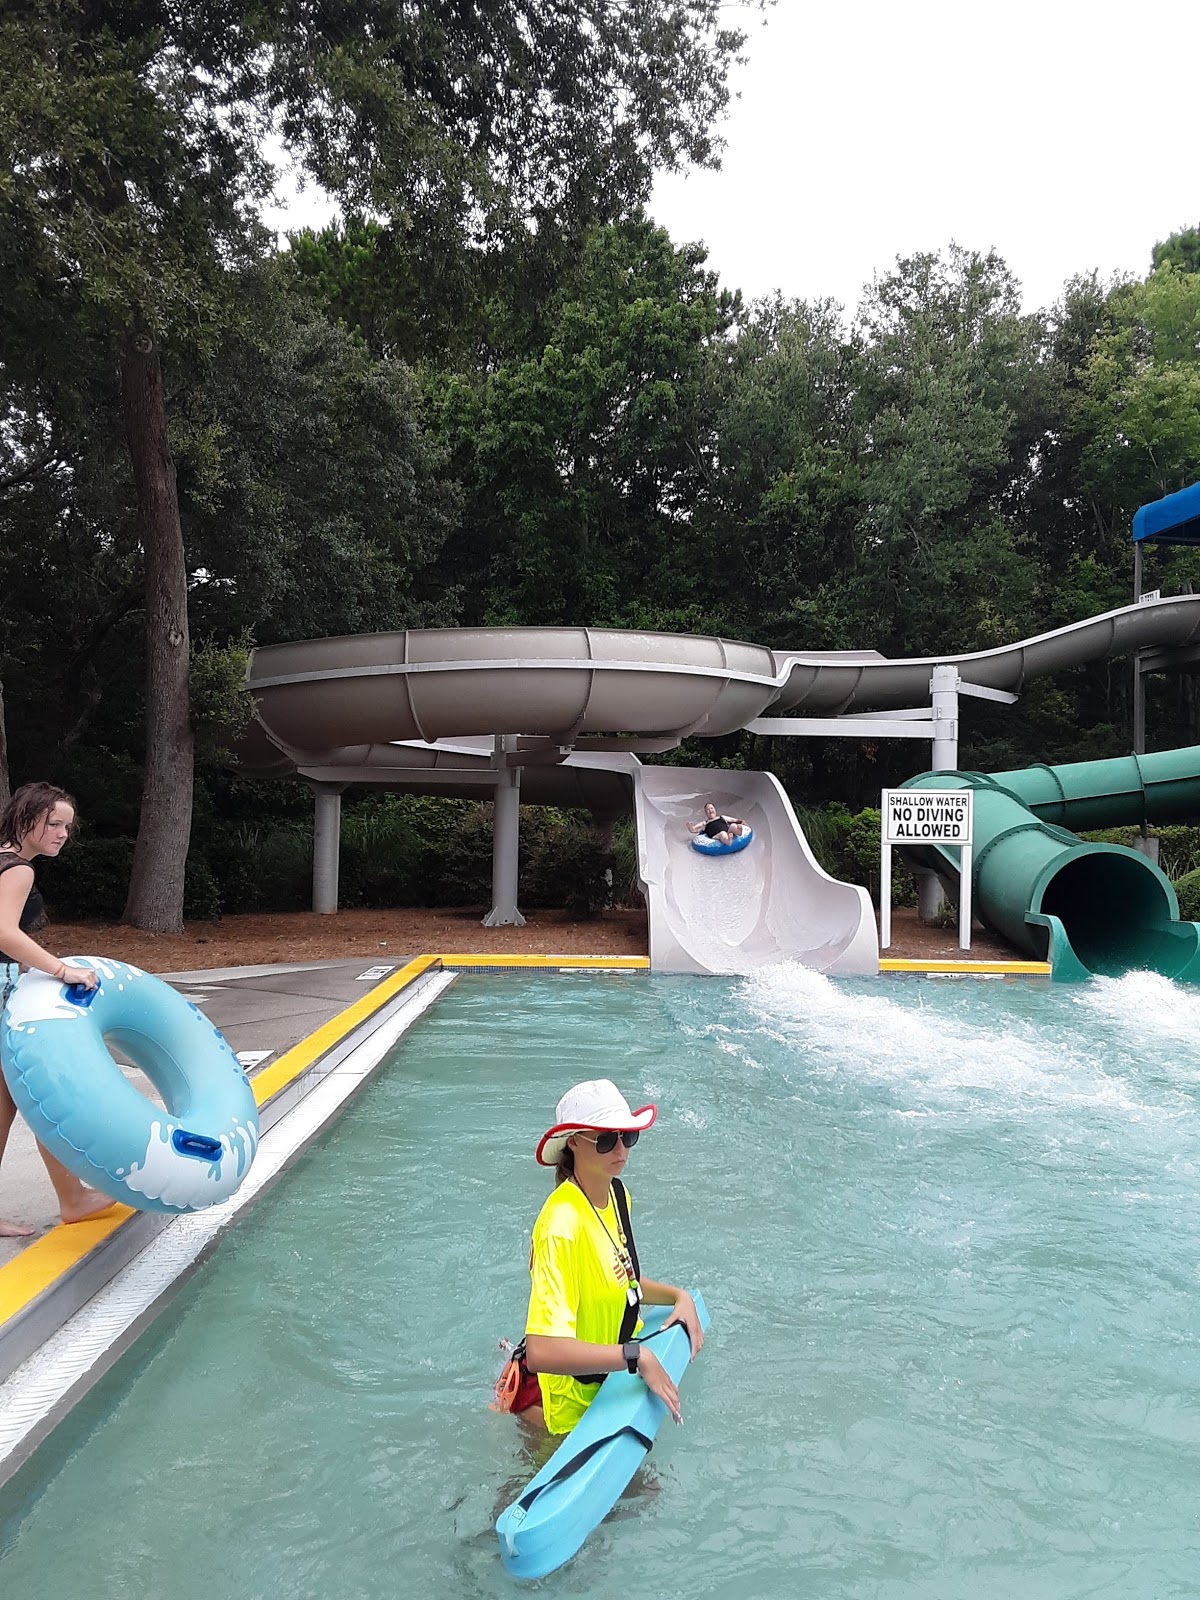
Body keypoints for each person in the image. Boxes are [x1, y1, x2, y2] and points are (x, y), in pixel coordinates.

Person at [517, 1078, 704, 1436]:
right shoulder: (561, 1224)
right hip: (572, 1415)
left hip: (614, 1383)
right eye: (605, 1139)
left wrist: (679, 1296)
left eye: (627, 1136)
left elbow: (621, 1282)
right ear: (573, 1142)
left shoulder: (617, 1195)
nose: (620, 1149)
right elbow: (541, 1350)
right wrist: (636, 1357)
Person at [0, 781, 112, 1237]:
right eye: (54, 823)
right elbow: (5, 933)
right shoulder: (18, 870)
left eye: (67, 825)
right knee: (29, 1093)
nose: (64, 833)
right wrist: (60, 969)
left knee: (22, 1095)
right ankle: (74, 1198)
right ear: (28, 819)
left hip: (7, 984)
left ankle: (73, 1197)